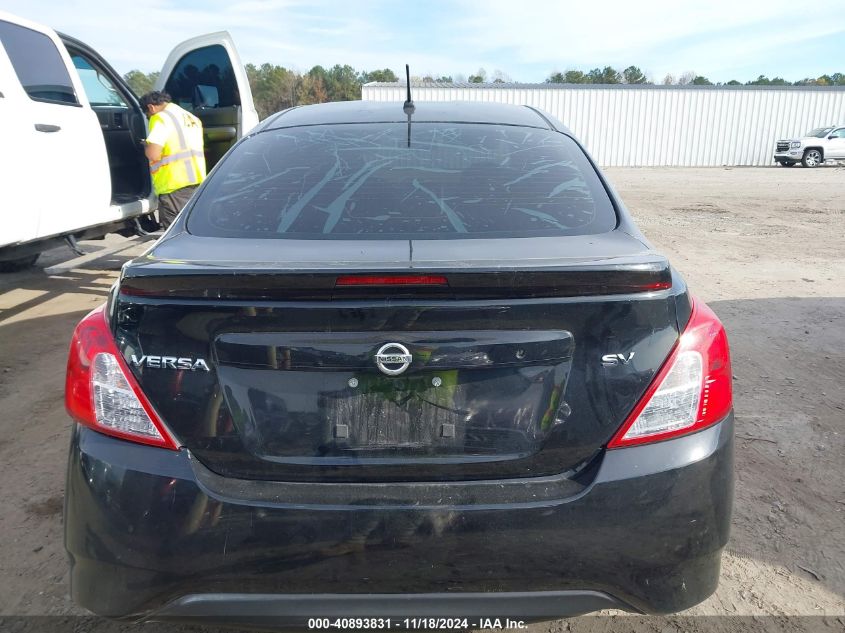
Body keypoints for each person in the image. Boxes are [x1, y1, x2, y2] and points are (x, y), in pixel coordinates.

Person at [139, 91, 206, 229]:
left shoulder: (160, 118)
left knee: (174, 233)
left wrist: (146, 145)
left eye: (147, 115)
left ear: (151, 107)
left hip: (173, 184)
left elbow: (153, 154)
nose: (149, 118)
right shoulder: (191, 117)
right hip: (196, 180)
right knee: (191, 227)